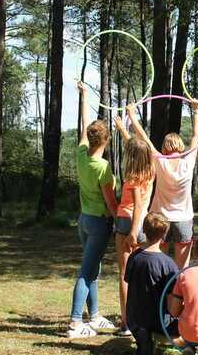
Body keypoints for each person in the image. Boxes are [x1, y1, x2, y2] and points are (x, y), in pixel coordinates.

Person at [67, 82, 119, 338]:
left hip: (84, 221)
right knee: (86, 273)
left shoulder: (80, 154)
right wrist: (123, 217)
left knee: (93, 270)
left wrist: (84, 96)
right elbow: (111, 203)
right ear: (106, 140)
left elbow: (82, 127)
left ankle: (95, 316)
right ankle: (76, 323)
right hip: (99, 223)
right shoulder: (103, 167)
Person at [127, 99, 198, 269]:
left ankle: (161, 293)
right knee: (181, 269)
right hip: (183, 219)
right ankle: (177, 294)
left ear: (165, 147)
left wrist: (132, 115)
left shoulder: (160, 161)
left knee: (158, 264)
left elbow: (144, 138)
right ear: (181, 146)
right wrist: (196, 111)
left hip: (160, 219)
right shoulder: (188, 161)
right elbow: (196, 136)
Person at [114, 118, 156, 336]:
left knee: (124, 274)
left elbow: (138, 206)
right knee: (141, 274)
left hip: (128, 223)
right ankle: (143, 315)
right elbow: (140, 146)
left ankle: (126, 323)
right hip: (142, 225)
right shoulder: (151, 170)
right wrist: (123, 128)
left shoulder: (132, 176)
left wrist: (131, 232)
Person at [125, 212, 180, 355]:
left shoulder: (134, 257)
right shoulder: (168, 264)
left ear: (143, 230)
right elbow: (173, 296)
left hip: (134, 318)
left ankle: (144, 343)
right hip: (157, 321)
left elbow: (127, 281)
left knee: (144, 344)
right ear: (164, 234)